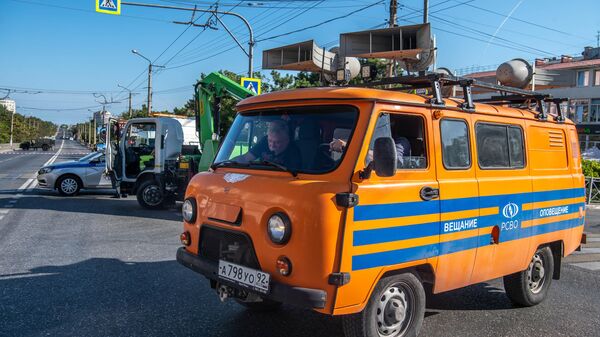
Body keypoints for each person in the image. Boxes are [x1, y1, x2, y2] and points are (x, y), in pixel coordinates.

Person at [235, 120, 302, 168]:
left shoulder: (294, 151)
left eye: (277, 142)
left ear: (287, 141)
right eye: (270, 141)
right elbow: (245, 158)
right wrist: (229, 163)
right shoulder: (264, 141)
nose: (272, 145)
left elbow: (293, 175)